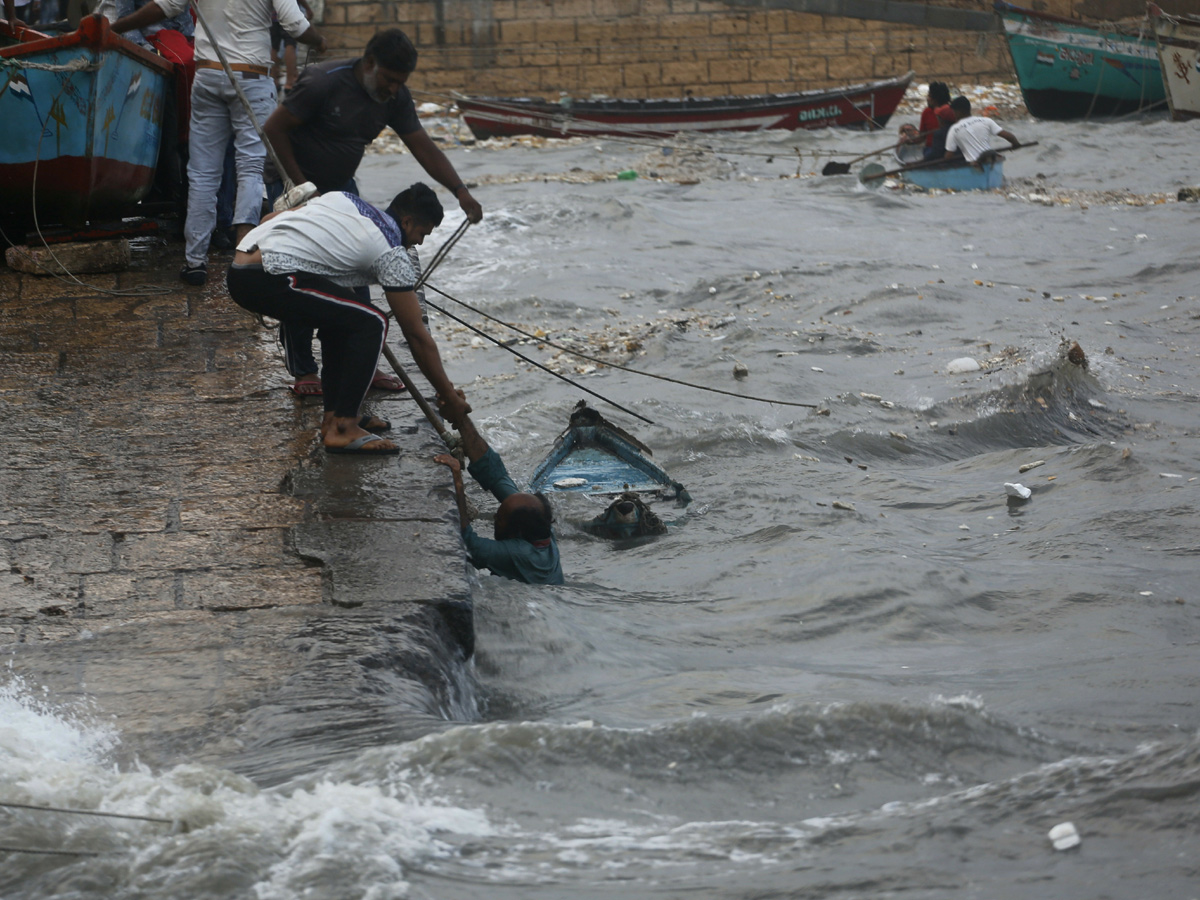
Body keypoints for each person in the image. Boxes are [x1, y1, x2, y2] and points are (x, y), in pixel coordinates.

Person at [262, 27, 483, 397]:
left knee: (360, 271)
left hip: (342, 187)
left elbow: (423, 147)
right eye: (389, 79)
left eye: (401, 82)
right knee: (300, 275)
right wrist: (303, 188)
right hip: (292, 183)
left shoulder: (394, 98)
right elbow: (273, 129)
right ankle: (304, 369)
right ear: (368, 63)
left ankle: (361, 361)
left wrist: (460, 191)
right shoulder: (322, 82)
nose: (393, 88)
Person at [226, 182, 470, 454]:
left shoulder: (344, 199)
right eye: (422, 233)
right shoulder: (391, 251)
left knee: (346, 320)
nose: (420, 242)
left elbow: (270, 219)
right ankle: (343, 427)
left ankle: (337, 415)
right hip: (268, 277)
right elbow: (416, 335)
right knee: (372, 323)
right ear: (407, 221)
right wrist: (449, 395)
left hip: (241, 266)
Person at [111, 0, 325, 287]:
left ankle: (195, 262)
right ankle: (244, 257)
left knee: (202, 173)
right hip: (252, 76)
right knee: (249, 168)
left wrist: (114, 26)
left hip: (208, 75)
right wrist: (319, 40)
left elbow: (164, 6)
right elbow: (296, 25)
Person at [434, 408, 563, 585]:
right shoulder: (543, 532)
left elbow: (469, 545)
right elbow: (497, 476)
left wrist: (457, 481)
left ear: (516, 533)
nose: (494, 517)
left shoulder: (520, 553)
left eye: (500, 519)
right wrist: (461, 417)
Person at [944, 96, 1020, 164]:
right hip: (990, 158)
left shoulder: (954, 129)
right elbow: (1009, 136)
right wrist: (1016, 144)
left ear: (958, 111)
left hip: (974, 163)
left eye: (954, 111)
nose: (953, 114)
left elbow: (949, 155)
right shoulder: (986, 120)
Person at [919, 81, 954, 160]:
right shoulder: (953, 110)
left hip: (943, 150)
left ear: (935, 99)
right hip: (939, 150)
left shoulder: (951, 111)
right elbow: (922, 136)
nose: (927, 99)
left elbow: (921, 137)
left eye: (929, 96)